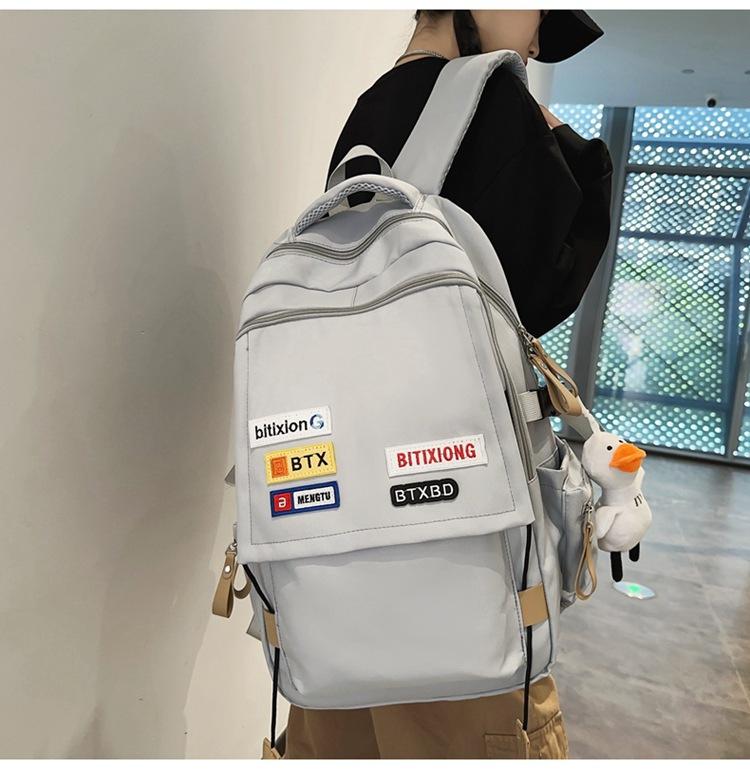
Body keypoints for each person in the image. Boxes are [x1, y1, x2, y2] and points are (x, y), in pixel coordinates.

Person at [278, 9, 612, 760]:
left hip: (335, 555)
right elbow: (542, 289)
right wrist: (579, 154)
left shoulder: (369, 112)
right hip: (455, 538)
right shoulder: (493, 98)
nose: (536, 44)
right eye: (541, 17)